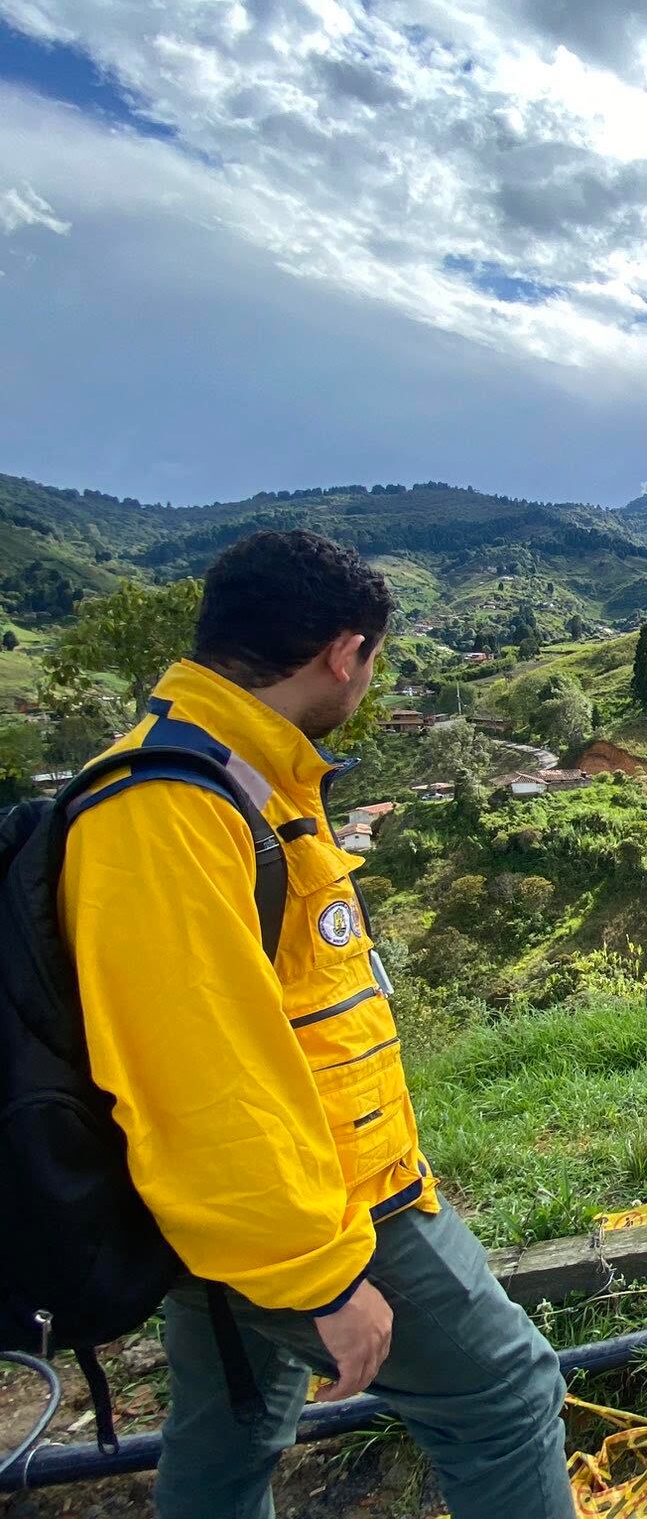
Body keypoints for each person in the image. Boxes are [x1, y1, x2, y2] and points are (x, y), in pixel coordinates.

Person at [59, 530, 573, 1519]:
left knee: (237, 1427)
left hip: (249, 1213)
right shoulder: (169, 810)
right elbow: (202, 1079)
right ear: (345, 653)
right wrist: (322, 1278)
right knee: (505, 1393)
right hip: (319, 1207)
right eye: (373, 660)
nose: (369, 679)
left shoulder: (237, 780)